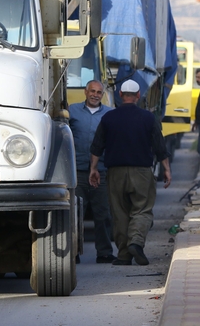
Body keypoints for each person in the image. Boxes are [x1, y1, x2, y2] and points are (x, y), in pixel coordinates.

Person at [88, 80, 171, 267]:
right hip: (141, 173)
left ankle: (124, 255)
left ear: (119, 93)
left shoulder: (108, 118)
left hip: (115, 173)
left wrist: (93, 169)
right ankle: (136, 242)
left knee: (119, 213)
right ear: (138, 95)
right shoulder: (148, 118)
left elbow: (97, 146)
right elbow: (160, 146)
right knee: (142, 209)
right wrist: (166, 168)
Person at [69, 80, 115, 263]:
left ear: (102, 95)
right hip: (77, 171)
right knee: (74, 214)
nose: (96, 95)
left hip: (101, 172)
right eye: (92, 91)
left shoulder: (110, 114)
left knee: (102, 214)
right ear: (85, 92)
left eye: (99, 92)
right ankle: (72, 252)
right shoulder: (72, 111)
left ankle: (104, 252)